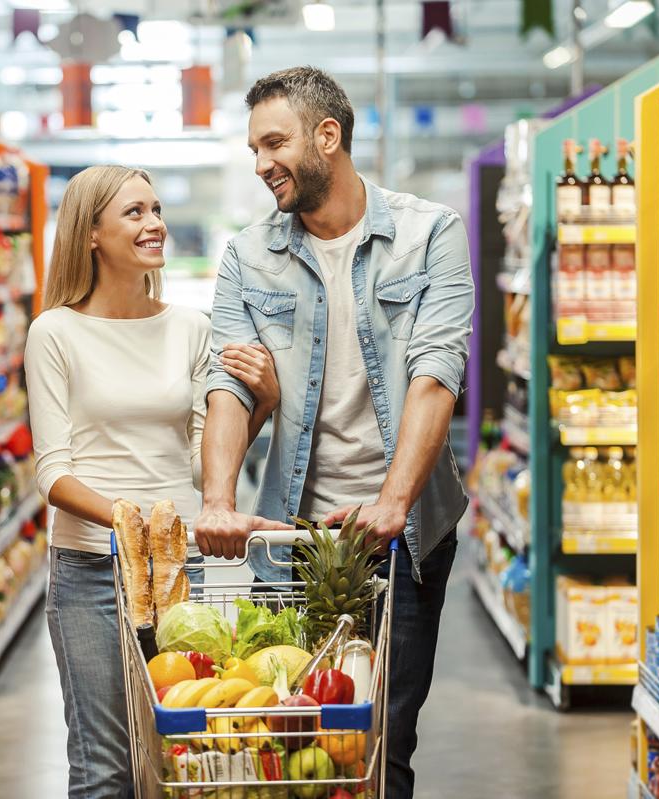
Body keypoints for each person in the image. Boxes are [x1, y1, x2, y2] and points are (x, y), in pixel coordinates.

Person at [194, 67, 473, 797]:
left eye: (274, 143)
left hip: (403, 536)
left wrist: (394, 500)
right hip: (295, 538)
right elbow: (225, 383)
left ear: (329, 136)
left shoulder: (429, 233)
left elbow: (435, 373)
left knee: (380, 743)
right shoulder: (248, 256)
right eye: (254, 149)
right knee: (291, 744)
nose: (261, 165)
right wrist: (219, 499)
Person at [25, 165, 283, 798]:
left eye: (156, 209)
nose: (155, 224)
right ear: (90, 233)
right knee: (104, 767)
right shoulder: (54, 332)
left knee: (179, 755)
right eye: (134, 213)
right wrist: (132, 522)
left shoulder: (191, 328)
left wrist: (264, 406)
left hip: (177, 570)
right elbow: (52, 473)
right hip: (90, 569)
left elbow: (203, 465)